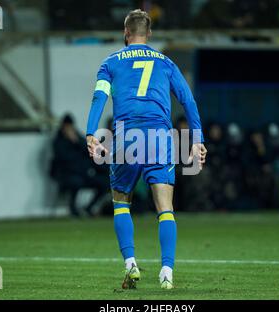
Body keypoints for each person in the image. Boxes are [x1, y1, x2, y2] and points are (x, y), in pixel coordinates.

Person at [85, 9, 206, 290]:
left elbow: (99, 97)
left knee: (120, 203)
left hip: (127, 136)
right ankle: (167, 272)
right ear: (148, 34)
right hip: (160, 137)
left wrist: (91, 133)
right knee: (165, 208)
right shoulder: (166, 63)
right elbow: (188, 101)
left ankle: (131, 266)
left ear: (126, 34)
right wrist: (197, 139)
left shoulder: (110, 63)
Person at [50, 114, 108, 218]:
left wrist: (75, 142)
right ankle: (73, 210)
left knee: (105, 183)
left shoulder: (78, 138)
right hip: (67, 175)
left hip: (83, 174)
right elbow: (64, 158)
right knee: (75, 182)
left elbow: (89, 149)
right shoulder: (58, 141)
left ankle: (89, 208)